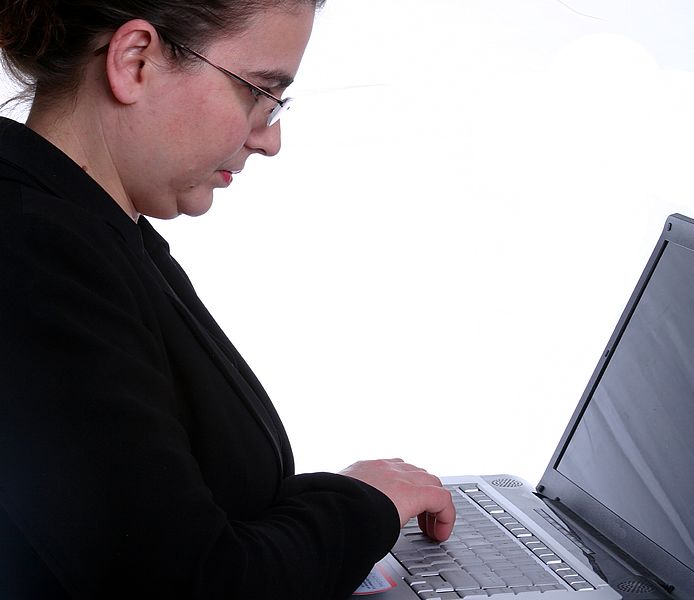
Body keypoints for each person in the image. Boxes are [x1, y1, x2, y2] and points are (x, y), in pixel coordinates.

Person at [0, 1, 455, 598]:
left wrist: (346, 500)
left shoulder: (95, 232)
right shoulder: (35, 255)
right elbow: (191, 586)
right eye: (258, 92)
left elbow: (161, 520)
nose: (270, 138)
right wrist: (359, 508)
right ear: (135, 62)